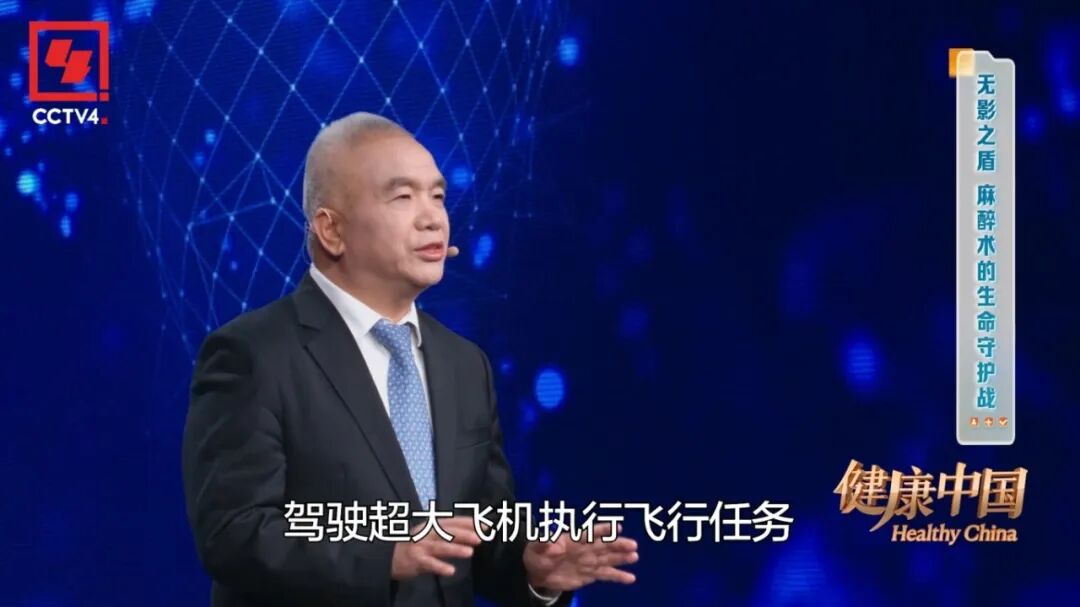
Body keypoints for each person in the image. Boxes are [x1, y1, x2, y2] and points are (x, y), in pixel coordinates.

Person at [182, 111, 638, 606]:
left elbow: (480, 536)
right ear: (331, 230)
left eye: (437, 196)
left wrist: (534, 570)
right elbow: (233, 534)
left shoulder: (465, 365)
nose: (433, 217)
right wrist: (383, 558)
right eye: (403, 197)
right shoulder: (254, 355)